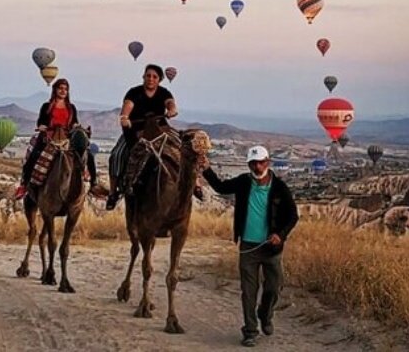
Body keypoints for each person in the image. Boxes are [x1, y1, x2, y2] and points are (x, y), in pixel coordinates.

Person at [201, 146, 299, 347]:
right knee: (248, 291)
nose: (257, 166)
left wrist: (280, 235)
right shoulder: (244, 182)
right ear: (249, 165)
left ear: (268, 162)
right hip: (248, 247)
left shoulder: (280, 187)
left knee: (274, 287)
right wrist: (206, 169)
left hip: (271, 248)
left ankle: (265, 313)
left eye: (261, 162)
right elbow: (220, 187)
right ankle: (250, 331)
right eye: (253, 163)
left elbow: (292, 216)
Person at [14, 79, 101, 199]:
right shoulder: (47, 106)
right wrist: (41, 126)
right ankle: (24, 185)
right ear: (55, 89)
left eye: (65, 89)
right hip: (49, 137)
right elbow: (40, 121)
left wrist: (76, 126)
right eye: (60, 88)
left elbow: (74, 122)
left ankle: (94, 184)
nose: (63, 91)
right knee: (33, 157)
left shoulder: (71, 108)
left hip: (66, 138)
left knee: (89, 154)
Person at [105, 64, 177, 210]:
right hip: (136, 130)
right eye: (148, 75)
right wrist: (125, 117)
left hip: (159, 130)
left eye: (154, 77)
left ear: (159, 80)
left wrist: (172, 110)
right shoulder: (134, 92)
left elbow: (170, 103)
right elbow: (128, 106)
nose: (151, 79)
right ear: (143, 77)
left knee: (183, 148)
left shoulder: (164, 92)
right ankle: (113, 193)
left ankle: (194, 184)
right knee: (116, 155)